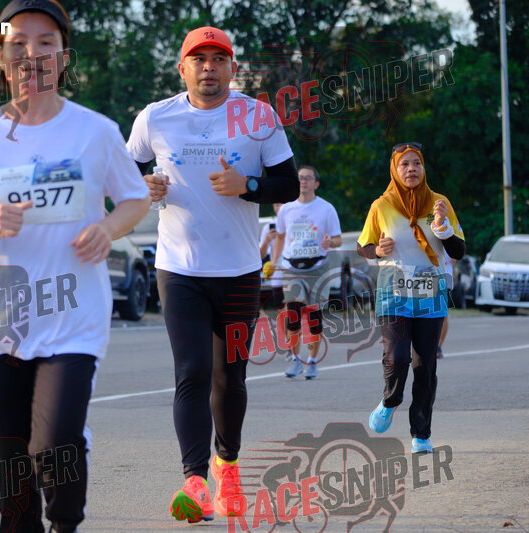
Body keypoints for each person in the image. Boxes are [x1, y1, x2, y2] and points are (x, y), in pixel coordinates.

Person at [0, 2, 149, 531]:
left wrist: (107, 228)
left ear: (63, 57)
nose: (32, 53)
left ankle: (65, 520)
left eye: (46, 42)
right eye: (18, 43)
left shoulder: (95, 131)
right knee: (7, 453)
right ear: (2, 59)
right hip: (0, 317)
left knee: (53, 444)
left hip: (72, 313)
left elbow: (135, 198)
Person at [126, 26, 298, 523]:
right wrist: (144, 185)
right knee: (193, 372)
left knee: (231, 377)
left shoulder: (259, 116)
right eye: (198, 59)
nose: (208, 67)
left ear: (232, 68)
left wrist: (248, 185)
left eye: (218, 59)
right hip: (179, 269)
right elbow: (122, 171)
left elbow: (288, 185)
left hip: (240, 271)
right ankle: (195, 481)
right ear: (182, 68)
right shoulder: (155, 117)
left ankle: (228, 467)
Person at [357, 142, 464, 454]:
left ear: (423, 168)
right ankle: (390, 400)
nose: (411, 169)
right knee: (398, 357)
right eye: (404, 164)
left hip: (430, 293)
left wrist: (443, 229)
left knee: (425, 366)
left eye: (416, 163)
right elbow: (364, 246)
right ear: (395, 169)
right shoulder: (381, 206)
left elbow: (458, 250)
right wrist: (378, 250)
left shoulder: (440, 203)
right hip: (393, 292)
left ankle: (421, 434)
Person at [271, 165, 341, 380]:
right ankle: (295, 358)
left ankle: (311, 361)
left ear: (316, 183)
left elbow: (338, 239)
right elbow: (280, 237)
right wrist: (273, 263)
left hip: (318, 268)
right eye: (300, 177)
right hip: (292, 268)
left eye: (308, 178)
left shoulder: (326, 209)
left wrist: (331, 242)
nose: (303, 181)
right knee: (292, 316)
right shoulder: (286, 209)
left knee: (314, 319)